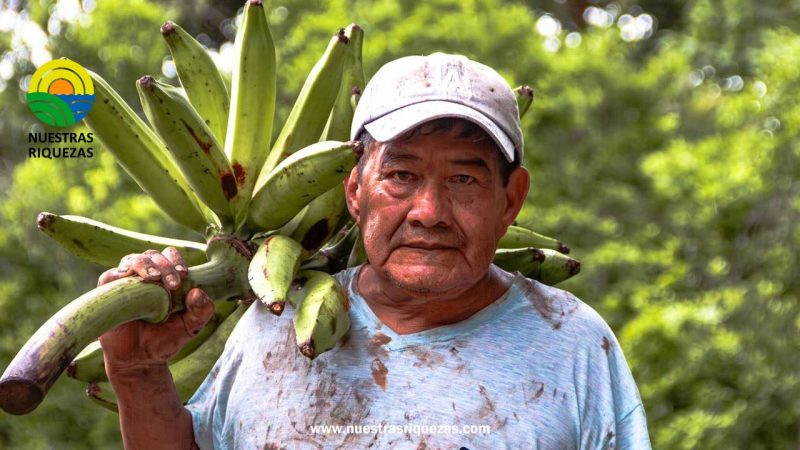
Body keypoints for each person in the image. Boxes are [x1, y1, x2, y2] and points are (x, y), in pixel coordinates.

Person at [98, 53, 652, 449]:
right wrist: (137, 372)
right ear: (354, 192)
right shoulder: (278, 327)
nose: (429, 210)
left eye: (464, 179)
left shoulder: (572, 344)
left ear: (511, 200)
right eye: (402, 174)